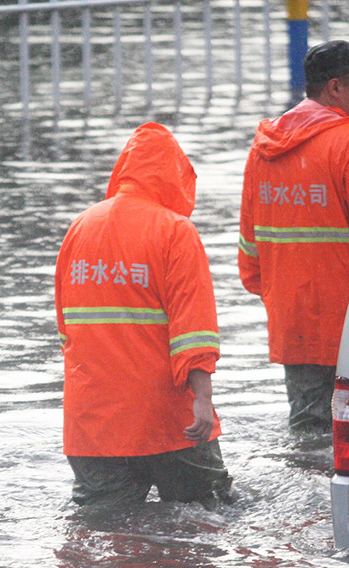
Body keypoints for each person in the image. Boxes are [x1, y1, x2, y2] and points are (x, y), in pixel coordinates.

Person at [55, 122, 234, 507]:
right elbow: (194, 330)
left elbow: (65, 328)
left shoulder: (80, 227)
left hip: (92, 426)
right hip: (165, 422)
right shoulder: (175, 231)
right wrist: (202, 400)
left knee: (102, 539)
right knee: (208, 517)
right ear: (176, 176)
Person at [238, 40, 349, 432]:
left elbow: (249, 257)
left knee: (309, 437)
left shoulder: (263, 151)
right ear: (336, 87)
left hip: (294, 328)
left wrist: (289, 299)